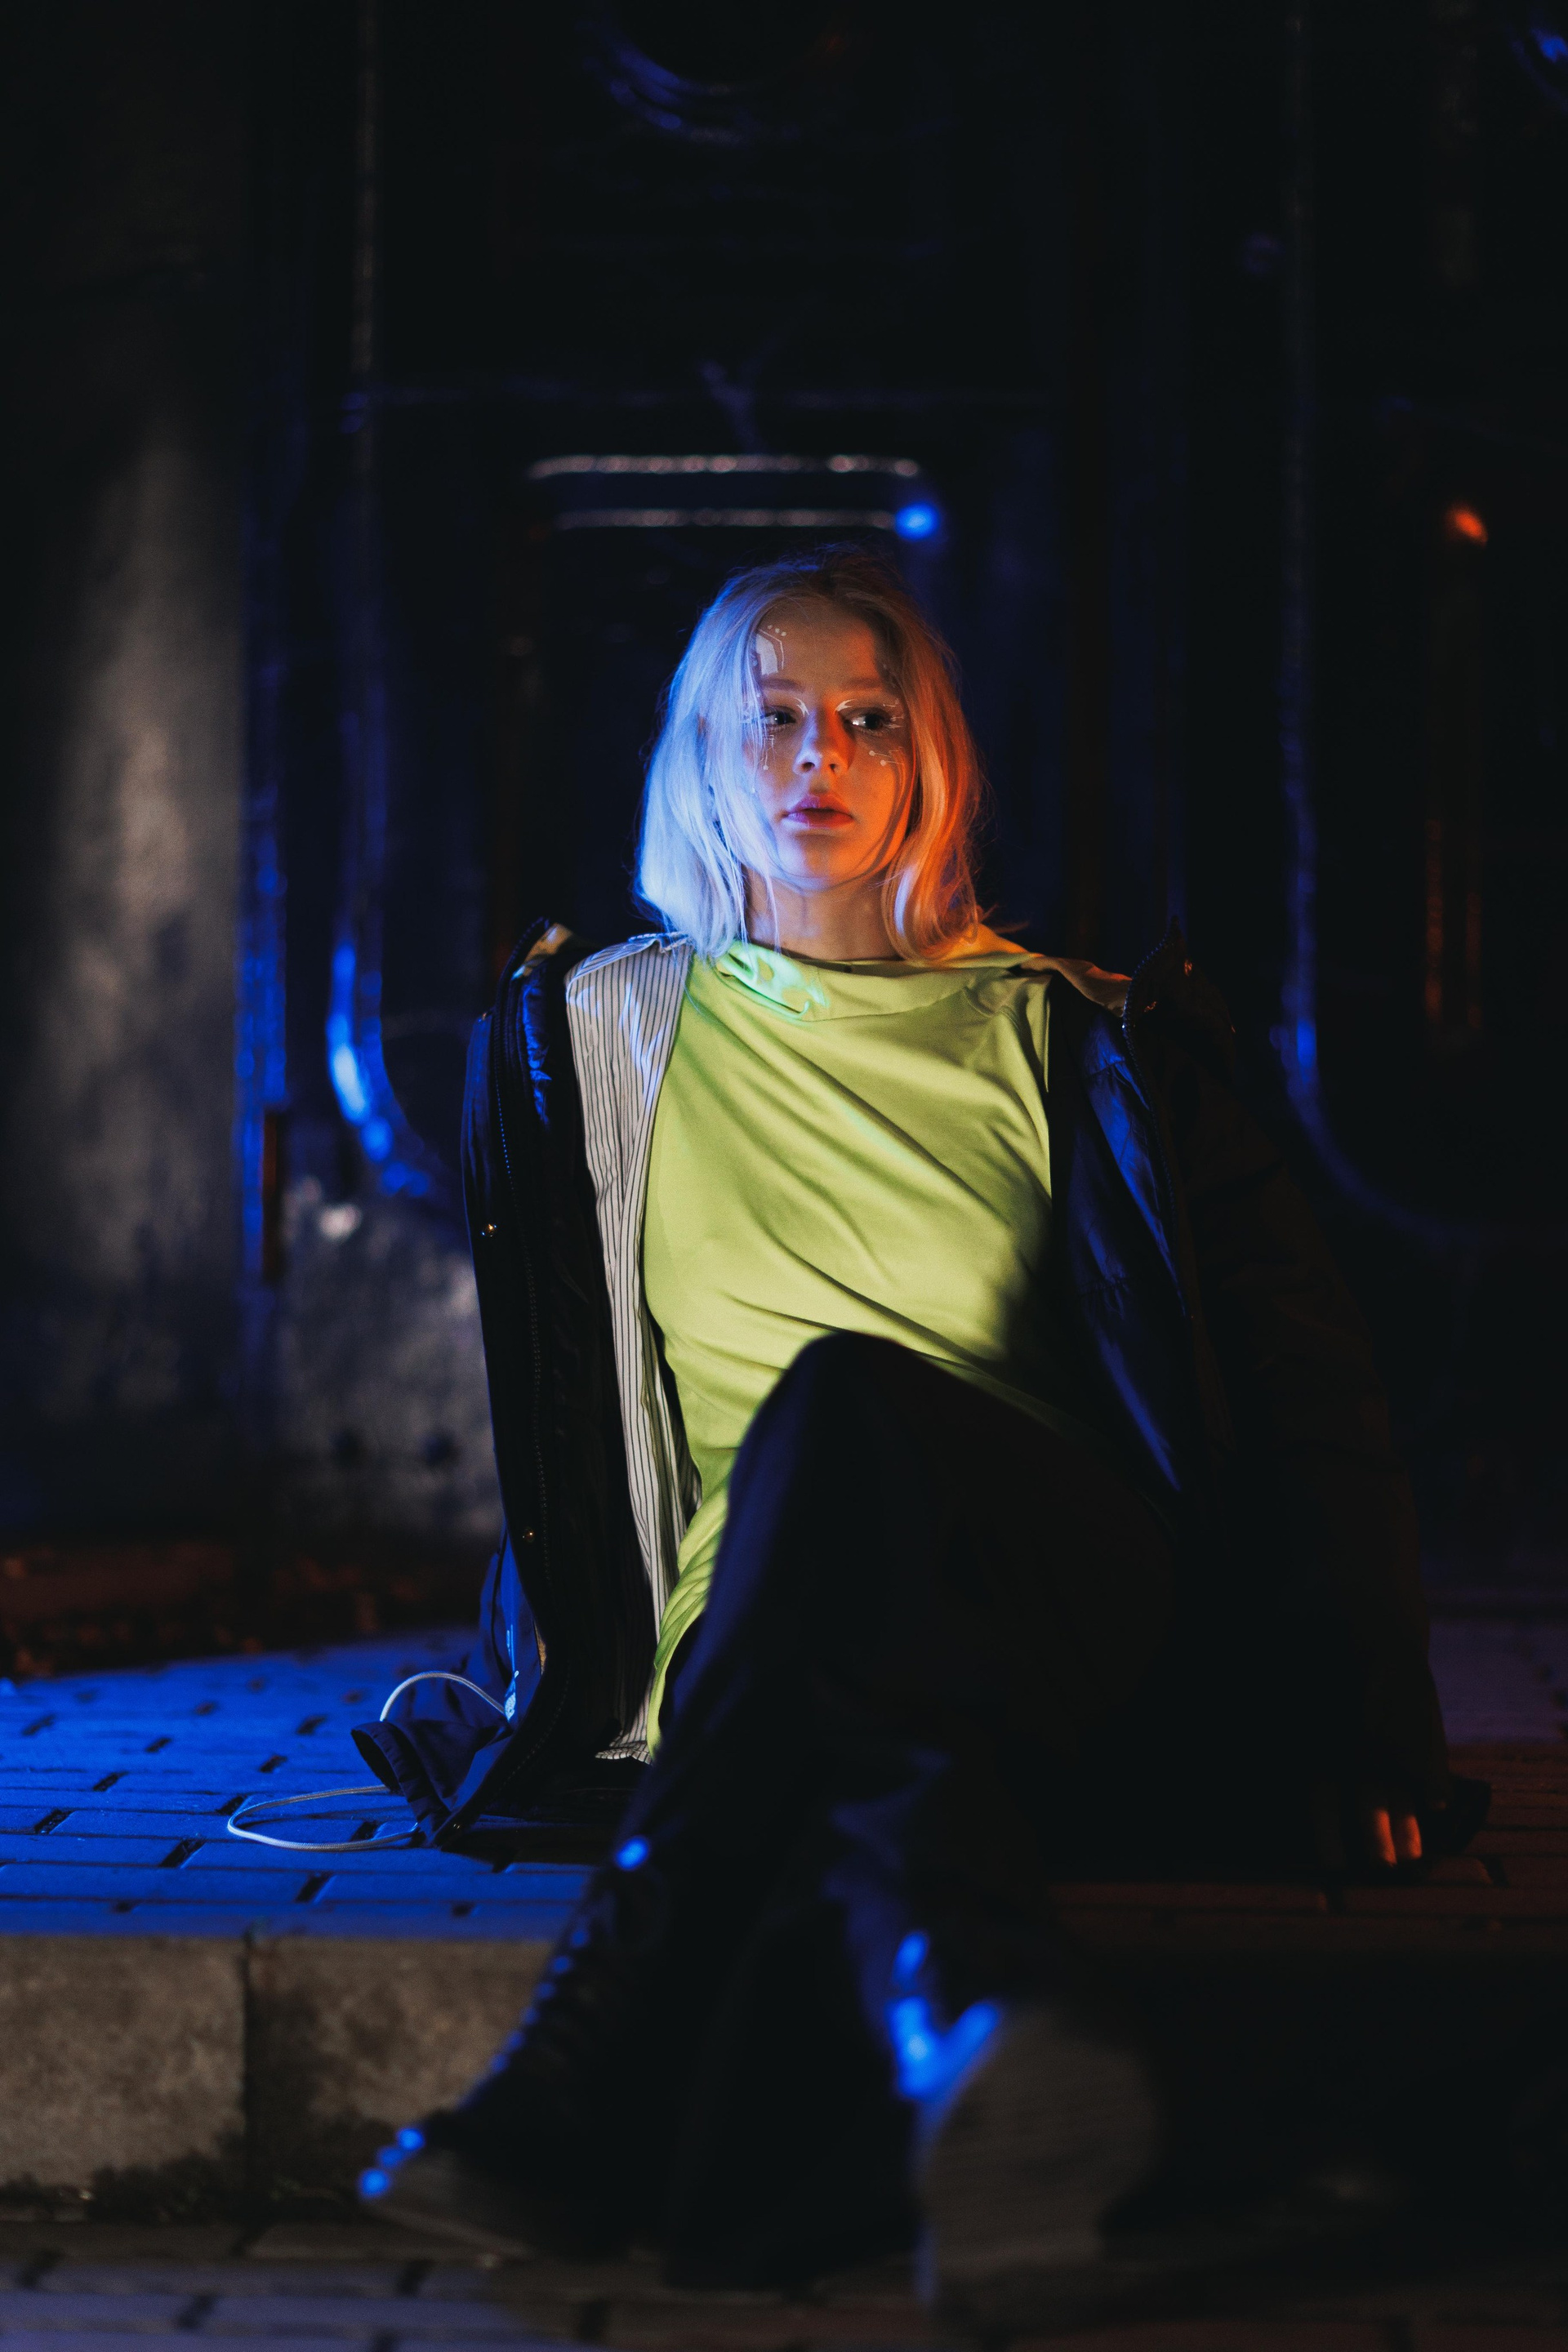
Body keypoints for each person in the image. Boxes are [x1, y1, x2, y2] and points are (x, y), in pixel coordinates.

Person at [358, 545, 1478, 2317]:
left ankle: (579, 2068)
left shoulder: (1073, 1031)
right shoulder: (607, 1034)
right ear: (701, 756)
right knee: (864, 1688)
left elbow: (1307, 1390)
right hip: (756, 1645)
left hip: (1065, 1595)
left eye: (868, 720)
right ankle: (979, 2025)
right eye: (774, 717)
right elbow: (577, 1410)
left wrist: (1369, 1716)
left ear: (927, 762)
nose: (821, 754)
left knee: (852, 1400)